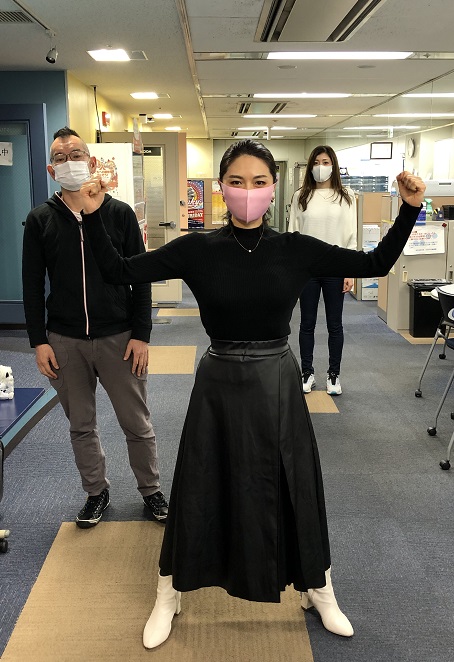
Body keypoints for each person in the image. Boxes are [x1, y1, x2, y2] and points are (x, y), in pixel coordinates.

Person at [78, 139, 424, 647]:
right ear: (222, 188)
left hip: (276, 379)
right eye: (237, 182)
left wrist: (410, 209)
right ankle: (169, 591)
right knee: (200, 485)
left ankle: (319, 588)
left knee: (294, 484)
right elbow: (119, 271)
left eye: (259, 182)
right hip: (217, 381)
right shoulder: (198, 249)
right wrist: (91, 215)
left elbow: (374, 262)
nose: (248, 191)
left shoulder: (295, 249)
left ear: (273, 188)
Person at [22, 127, 168, 528]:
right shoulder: (40, 220)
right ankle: (95, 492)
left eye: (76, 154)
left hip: (119, 337)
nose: (70, 161)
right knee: (81, 425)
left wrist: (141, 334)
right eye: (61, 157)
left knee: (136, 422)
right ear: (52, 170)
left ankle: (151, 490)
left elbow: (141, 277)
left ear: (90, 162)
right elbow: (32, 284)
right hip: (65, 340)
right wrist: (39, 341)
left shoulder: (119, 214)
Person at [288, 145, 357, 396]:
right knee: (306, 324)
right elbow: (292, 235)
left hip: (336, 267)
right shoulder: (301, 196)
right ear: (310, 167)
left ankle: (334, 374)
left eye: (326, 162)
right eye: (317, 162)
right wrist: (293, 270)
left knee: (334, 325)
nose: (321, 167)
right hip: (308, 270)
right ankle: (307, 373)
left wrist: (350, 271)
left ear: (333, 165)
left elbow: (351, 236)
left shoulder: (346, 196)